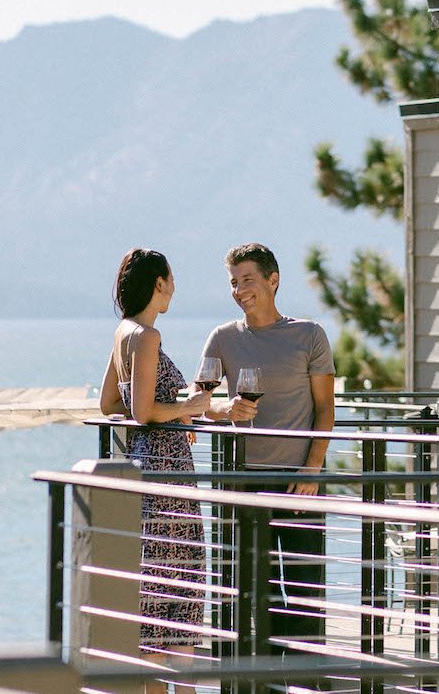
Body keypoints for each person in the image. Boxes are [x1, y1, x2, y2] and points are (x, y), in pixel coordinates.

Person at [199, 242, 337, 652]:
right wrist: (225, 409)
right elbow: (199, 402)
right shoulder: (222, 339)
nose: (239, 289)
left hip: (300, 482)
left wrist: (312, 469)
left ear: (273, 281)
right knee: (250, 591)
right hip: (243, 483)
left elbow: (326, 408)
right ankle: (257, 680)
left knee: (304, 594)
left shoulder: (309, 335)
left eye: (248, 280)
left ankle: (305, 682)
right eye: (233, 282)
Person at [99, 248, 215, 658]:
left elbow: (110, 404)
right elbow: (145, 411)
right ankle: (178, 675)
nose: (174, 290)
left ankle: (152, 672)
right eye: (172, 280)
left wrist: (168, 412)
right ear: (159, 283)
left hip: (141, 461)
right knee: (180, 573)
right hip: (168, 469)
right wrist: (187, 409)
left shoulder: (123, 332)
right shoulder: (148, 336)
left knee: (154, 573)